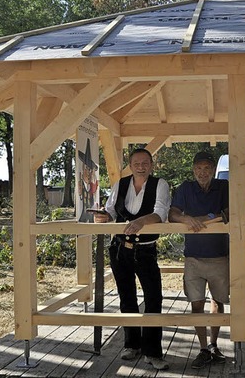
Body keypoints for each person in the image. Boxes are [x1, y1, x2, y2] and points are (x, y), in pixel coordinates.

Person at [93, 148, 170, 371]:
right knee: (126, 297)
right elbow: (110, 211)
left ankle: (153, 352)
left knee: (154, 298)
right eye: (137, 162)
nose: (141, 166)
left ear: (151, 164)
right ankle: (132, 344)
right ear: (130, 164)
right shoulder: (121, 184)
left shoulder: (160, 184)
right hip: (120, 249)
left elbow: (160, 213)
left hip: (145, 249)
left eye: (145, 162)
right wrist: (103, 216)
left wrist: (141, 222)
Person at [168, 151, 229, 369]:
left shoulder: (224, 187)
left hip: (219, 254)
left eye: (207, 168)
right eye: (199, 169)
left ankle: (214, 345)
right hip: (192, 255)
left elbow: (231, 211)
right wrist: (186, 218)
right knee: (196, 303)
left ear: (213, 170)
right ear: (193, 170)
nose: (202, 173)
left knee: (218, 301)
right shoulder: (185, 188)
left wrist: (206, 218)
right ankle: (203, 348)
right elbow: (172, 213)